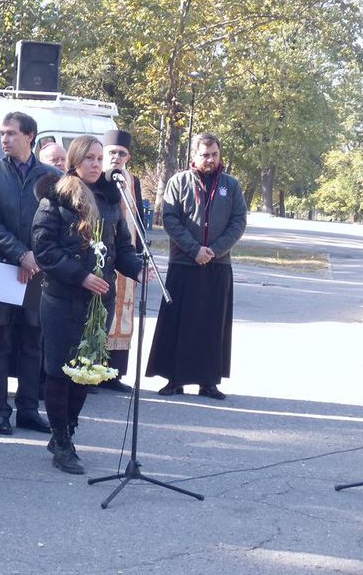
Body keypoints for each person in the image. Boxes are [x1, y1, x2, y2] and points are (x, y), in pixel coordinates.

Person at [32, 135, 142, 474]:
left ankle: (68, 429)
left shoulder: (111, 198)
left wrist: (139, 267)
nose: (97, 164)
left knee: (86, 369)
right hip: (63, 299)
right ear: (75, 162)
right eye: (90, 158)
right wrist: (80, 276)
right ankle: (60, 439)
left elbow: (122, 246)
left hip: (99, 302)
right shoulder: (56, 198)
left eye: (100, 158)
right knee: (60, 370)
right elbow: (44, 248)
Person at [0, 112, 60, 435]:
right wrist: (19, 254)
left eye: (11, 133)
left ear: (30, 136)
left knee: (32, 341)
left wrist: (35, 257)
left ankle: (28, 409)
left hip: (38, 269)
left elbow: (57, 222)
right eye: (2, 133)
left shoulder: (51, 176)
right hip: (3, 267)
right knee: (0, 340)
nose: (4, 139)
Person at [145, 133, 247, 399]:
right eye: (205, 154)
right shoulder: (178, 182)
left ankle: (208, 381)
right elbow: (170, 219)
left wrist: (214, 251)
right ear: (194, 155)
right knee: (177, 324)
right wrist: (194, 250)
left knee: (212, 326)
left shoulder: (231, 185)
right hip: (184, 262)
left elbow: (238, 222)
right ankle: (174, 379)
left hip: (218, 264)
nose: (210, 159)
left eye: (214, 154)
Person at [99, 129, 144, 393]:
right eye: (112, 152)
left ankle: (113, 373)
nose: (116, 157)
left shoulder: (132, 180)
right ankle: (93, 367)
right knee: (101, 312)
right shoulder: (97, 177)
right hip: (103, 255)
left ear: (128, 157)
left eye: (121, 154)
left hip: (127, 253)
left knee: (123, 313)